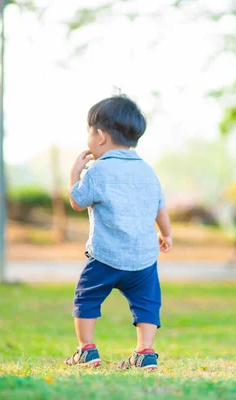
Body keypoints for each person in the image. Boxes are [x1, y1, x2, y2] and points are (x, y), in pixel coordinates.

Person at [65, 95, 172, 370]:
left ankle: (87, 350)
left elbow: (78, 202)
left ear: (100, 136)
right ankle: (145, 352)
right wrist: (166, 234)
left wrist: (75, 175)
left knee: (86, 297)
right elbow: (160, 207)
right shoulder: (148, 171)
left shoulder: (97, 171)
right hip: (143, 259)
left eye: (89, 132)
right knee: (147, 304)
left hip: (105, 256)